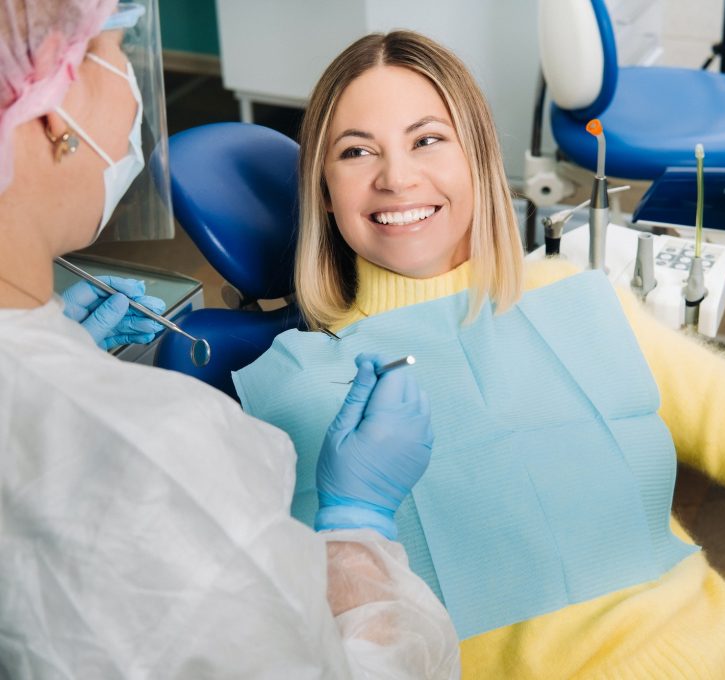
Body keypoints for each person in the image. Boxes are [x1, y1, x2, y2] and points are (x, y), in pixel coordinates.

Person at [234, 31, 725, 680]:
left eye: (427, 139)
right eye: (356, 151)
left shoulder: (578, 300)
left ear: (477, 159)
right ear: (324, 189)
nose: (396, 177)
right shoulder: (298, 387)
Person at [0, 3, 459, 678]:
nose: (396, 175)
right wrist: (358, 527)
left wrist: (62, 353)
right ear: (50, 113)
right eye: (118, 50)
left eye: (428, 139)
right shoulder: (159, 456)